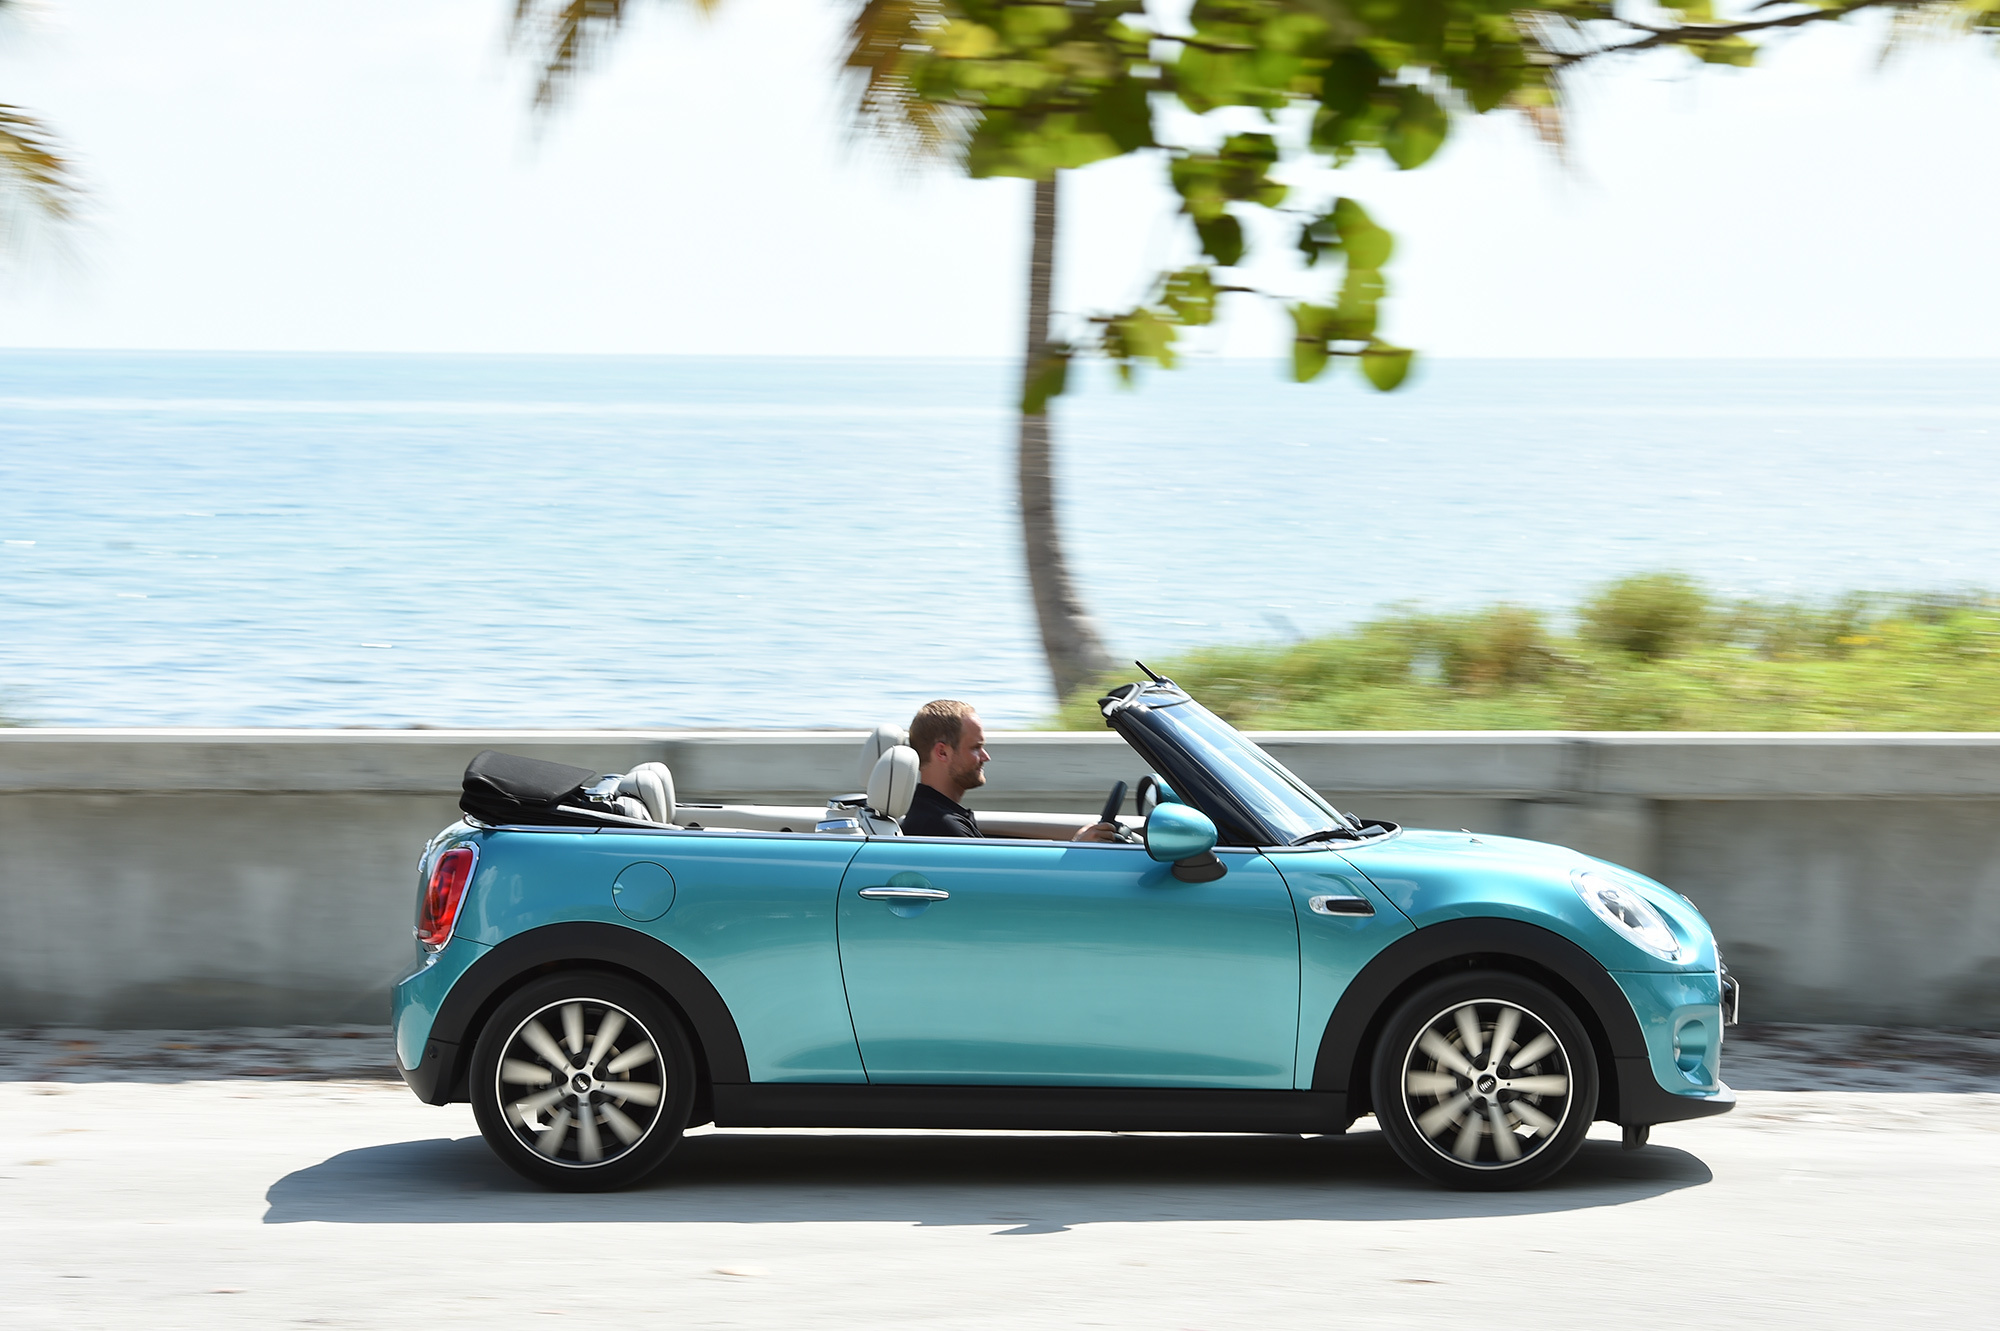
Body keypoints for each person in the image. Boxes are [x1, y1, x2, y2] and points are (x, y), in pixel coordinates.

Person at [901, 699, 1119, 841]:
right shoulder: (941, 827)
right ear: (942, 752)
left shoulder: (938, 815)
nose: (986, 757)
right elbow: (998, 891)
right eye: (976, 748)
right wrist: (1077, 850)